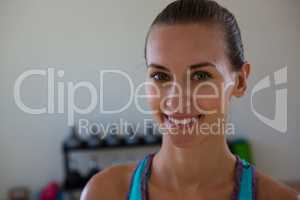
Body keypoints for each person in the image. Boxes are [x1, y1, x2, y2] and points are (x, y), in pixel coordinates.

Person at [81, 0, 299, 199]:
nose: (176, 99)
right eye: (160, 76)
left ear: (240, 81)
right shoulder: (104, 192)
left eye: (201, 76)